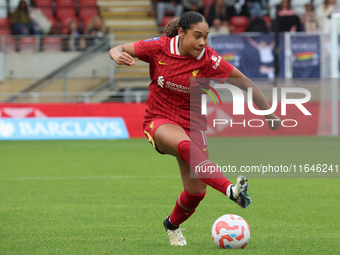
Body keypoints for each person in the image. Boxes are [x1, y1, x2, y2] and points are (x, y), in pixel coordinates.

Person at [109, 11, 281, 246]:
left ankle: (171, 225)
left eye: (206, 37)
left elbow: (244, 83)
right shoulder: (159, 47)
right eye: (197, 36)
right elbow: (119, 48)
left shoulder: (209, 60)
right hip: (159, 119)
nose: (202, 42)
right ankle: (232, 191)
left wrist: (268, 113)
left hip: (193, 124)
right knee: (184, 145)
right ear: (181, 33)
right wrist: (117, 55)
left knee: (196, 192)